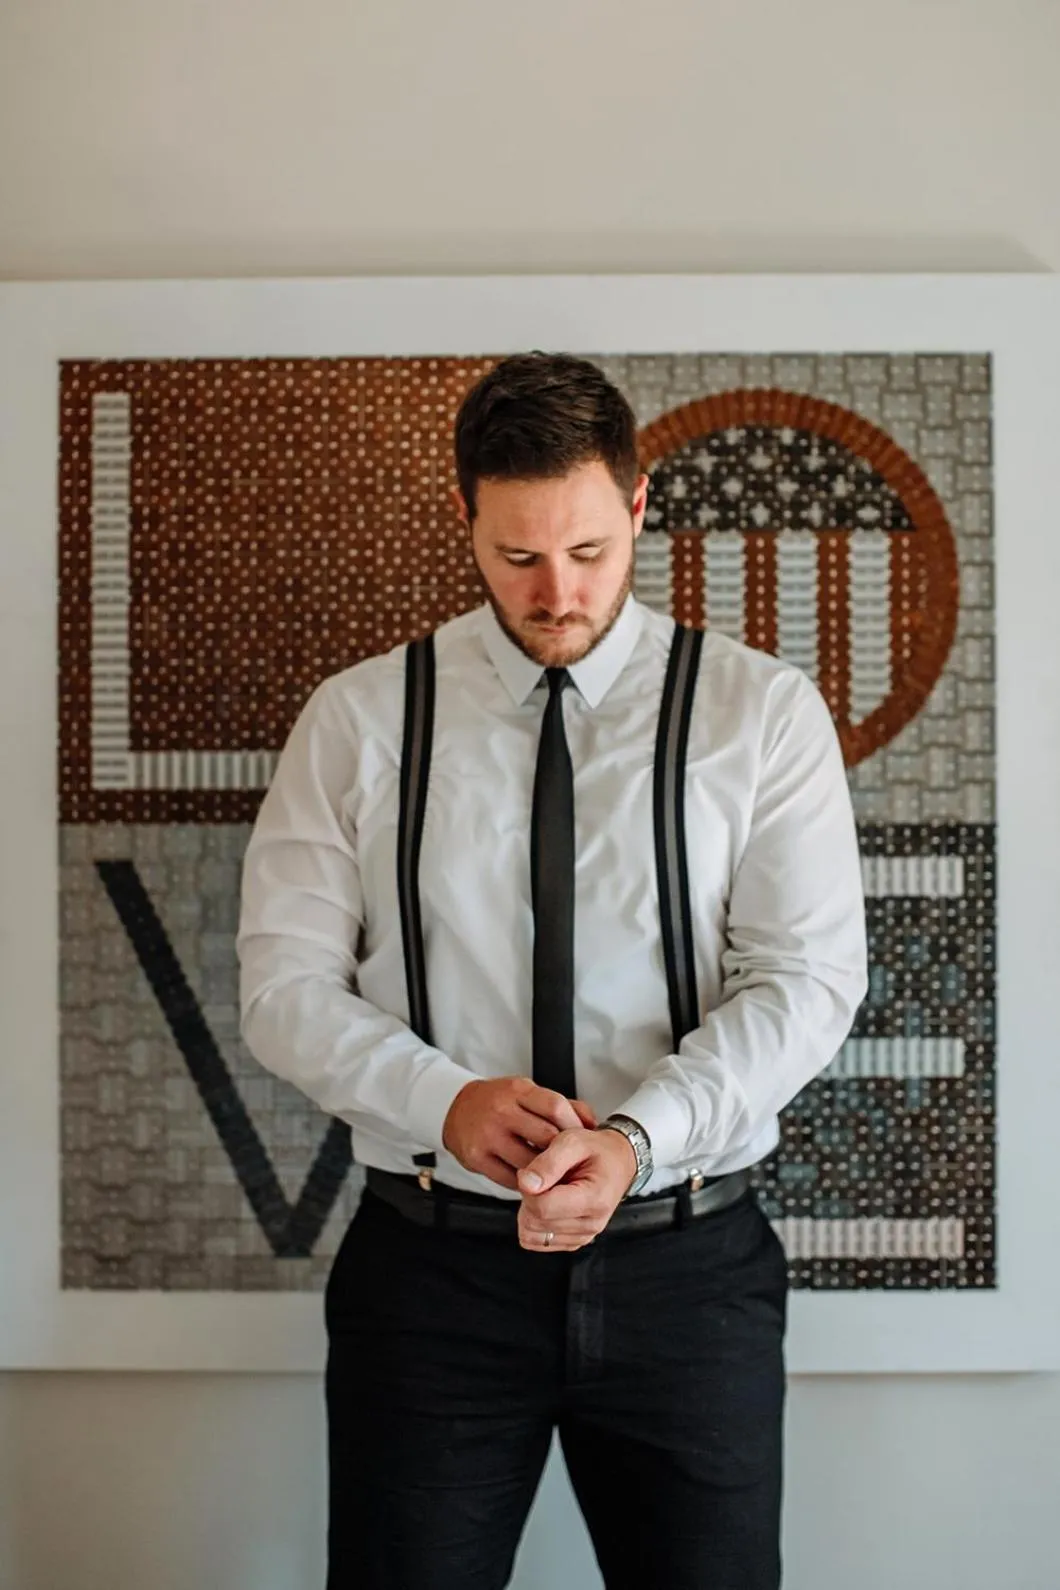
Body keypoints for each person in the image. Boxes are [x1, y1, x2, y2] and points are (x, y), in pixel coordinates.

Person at [236, 352, 868, 1590]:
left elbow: (805, 984)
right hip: (430, 1279)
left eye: (585, 550)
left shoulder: (761, 713)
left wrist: (636, 1138)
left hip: (690, 1273)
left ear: (637, 506)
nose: (555, 590)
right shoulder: (360, 719)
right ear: (466, 519)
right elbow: (283, 990)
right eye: (517, 556)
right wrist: (444, 1101)